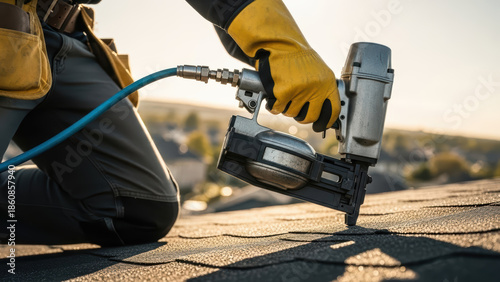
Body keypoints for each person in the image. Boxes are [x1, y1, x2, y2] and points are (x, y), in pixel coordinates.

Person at [0, 0, 340, 246]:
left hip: (62, 35)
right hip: (6, 29)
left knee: (139, 207)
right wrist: (281, 42)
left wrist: (276, 49)